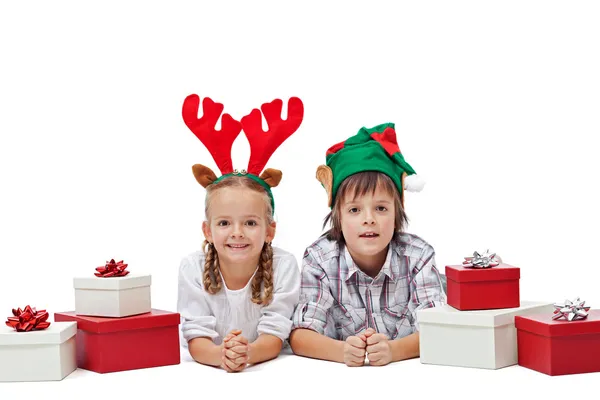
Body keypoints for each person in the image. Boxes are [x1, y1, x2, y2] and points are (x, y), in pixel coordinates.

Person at [290, 122, 446, 367]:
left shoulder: (419, 256)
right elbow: (300, 336)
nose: (369, 219)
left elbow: (441, 331)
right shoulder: (319, 258)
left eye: (381, 208)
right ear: (338, 217)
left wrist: (393, 351)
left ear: (397, 214)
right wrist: (341, 351)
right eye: (354, 209)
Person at [177, 95, 303, 372]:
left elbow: (274, 333)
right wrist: (220, 356)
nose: (237, 233)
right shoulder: (192, 267)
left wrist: (247, 353)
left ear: (270, 230)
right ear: (207, 230)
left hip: (266, 368)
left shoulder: (284, 266)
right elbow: (197, 337)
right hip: (210, 368)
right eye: (224, 224)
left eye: (250, 223)